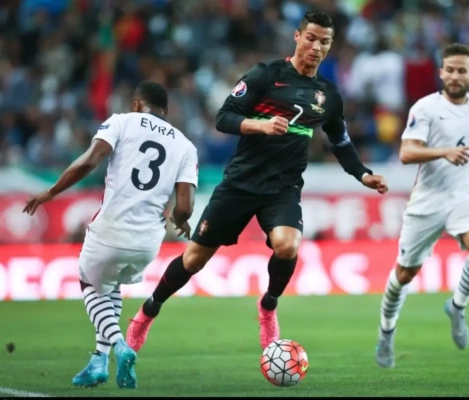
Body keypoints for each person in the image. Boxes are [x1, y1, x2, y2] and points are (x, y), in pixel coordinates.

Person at [126, 9, 388, 353]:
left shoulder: (328, 95)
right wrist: (261, 125)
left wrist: (363, 174)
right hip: (240, 184)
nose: (316, 47)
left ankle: (268, 306)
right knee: (193, 261)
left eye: (324, 42)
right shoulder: (266, 75)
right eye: (310, 38)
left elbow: (340, 142)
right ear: (297, 37)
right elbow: (224, 118)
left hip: (283, 188)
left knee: (288, 245)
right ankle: (147, 312)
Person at [23, 82, 198, 388]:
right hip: (148, 242)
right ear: (165, 111)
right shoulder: (185, 145)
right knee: (110, 283)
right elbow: (185, 206)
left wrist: (52, 191)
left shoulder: (122, 121)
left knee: (89, 280)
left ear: (136, 104)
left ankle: (119, 344)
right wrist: (180, 220)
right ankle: (99, 361)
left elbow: (90, 160)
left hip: (112, 228)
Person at [375, 43, 469, 368]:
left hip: (462, 197)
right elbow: (406, 152)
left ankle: (457, 306)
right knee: (405, 274)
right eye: (449, 70)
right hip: (427, 201)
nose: (454, 76)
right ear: (441, 72)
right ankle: (386, 332)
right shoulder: (425, 108)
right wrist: (444, 151)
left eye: (461, 70)